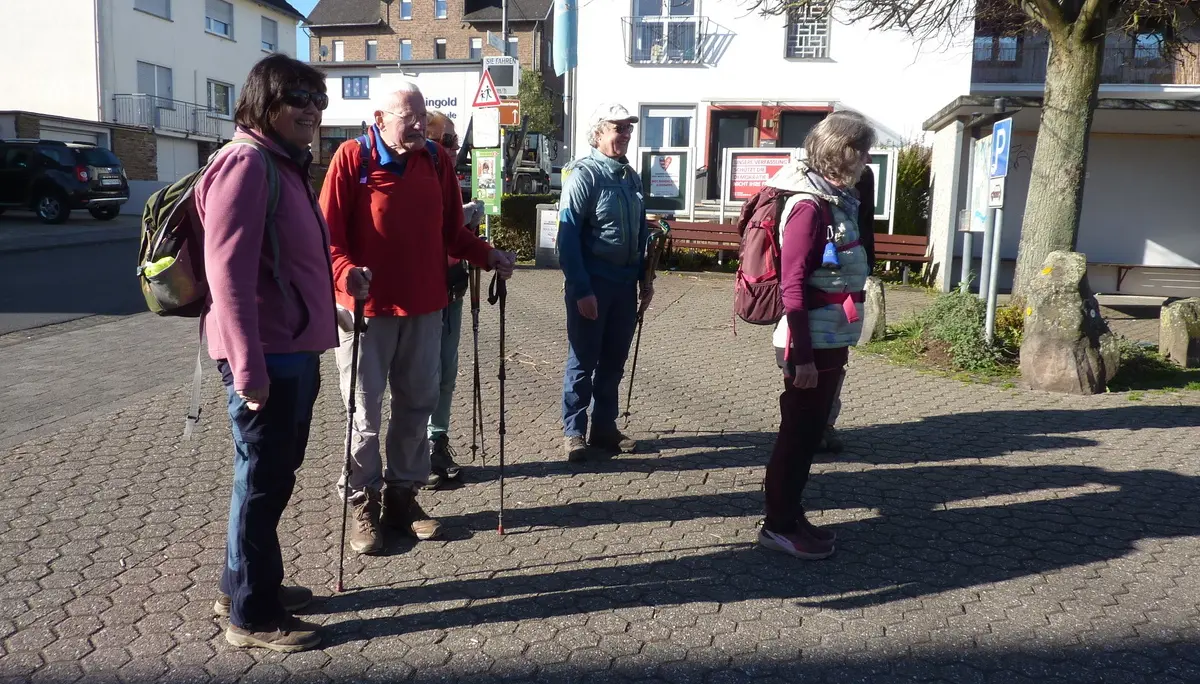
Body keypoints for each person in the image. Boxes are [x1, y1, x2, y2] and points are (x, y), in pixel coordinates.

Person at [320, 84, 515, 556]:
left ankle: (402, 499)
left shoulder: (436, 160)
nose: (417, 125)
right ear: (380, 118)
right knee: (363, 412)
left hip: (426, 306)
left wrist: (488, 255)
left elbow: (452, 233)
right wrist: (346, 273)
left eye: (422, 115)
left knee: (416, 406)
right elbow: (325, 238)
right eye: (408, 117)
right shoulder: (351, 158)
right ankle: (363, 503)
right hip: (366, 310)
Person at [195, 54, 335, 652]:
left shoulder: (285, 164)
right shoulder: (247, 164)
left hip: (289, 348)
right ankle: (253, 615)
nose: (310, 107)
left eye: (317, 97)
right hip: (267, 358)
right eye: (297, 95)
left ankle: (244, 583)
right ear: (264, 101)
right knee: (264, 483)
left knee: (260, 477)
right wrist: (249, 369)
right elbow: (226, 274)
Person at [759, 110, 875, 559]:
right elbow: (792, 285)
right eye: (862, 150)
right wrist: (803, 355)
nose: (866, 159)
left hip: (830, 337)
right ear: (842, 152)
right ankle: (778, 525)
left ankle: (791, 513)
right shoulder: (808, 206)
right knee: (797, 434)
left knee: (808, 434)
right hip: (808, 342)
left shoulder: (834, 198)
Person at [556, 104, 651, 462]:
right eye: (618, 127)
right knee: (583, 360)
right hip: (593, 283)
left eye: (628, 128)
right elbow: (566, 241)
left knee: (613, 360)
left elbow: (641, 231)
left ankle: (605, 428)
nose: (625, 134)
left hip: (625, 285)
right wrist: (581, 289)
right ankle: (574, 432)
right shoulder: (584, 175)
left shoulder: (630, 177)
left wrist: (646, 278)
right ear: (598, 133)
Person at [423, 113, 484, 489]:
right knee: (419, 378)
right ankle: (415, 451)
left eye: (455, 141)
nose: (453, 148)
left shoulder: (447, 175)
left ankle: (437, 440)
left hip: (452, 287)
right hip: (419, 296)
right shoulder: (412, 174)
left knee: (446, 372)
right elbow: (432, 227)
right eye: (446, 140)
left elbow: (452, 232)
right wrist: (466, 215)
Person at [819, 164, 876, 454]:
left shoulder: (863, 176)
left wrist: (864, 269)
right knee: (807, 359)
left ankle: (824, 424)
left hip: (847, 288)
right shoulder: (813, 189)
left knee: (837, 358)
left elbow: (866, 224)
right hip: (818, 290)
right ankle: (807, 425)